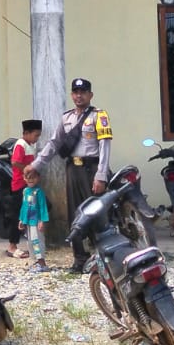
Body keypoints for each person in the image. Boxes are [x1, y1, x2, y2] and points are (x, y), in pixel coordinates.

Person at [56, 77, 113, 273]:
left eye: (83, 92)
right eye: (75, 92)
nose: (79, 96)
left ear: (90, 95)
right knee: (75, 214)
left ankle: (103, 258)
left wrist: (101, 175)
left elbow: (105, 147)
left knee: (97, 214)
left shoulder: (99, 116)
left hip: (92, 169)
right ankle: (80, 258)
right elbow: (55, 143)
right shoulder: (66, 118)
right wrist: (38, 163)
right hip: (73, 169)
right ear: (72, 95)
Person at [5, 118, 41, 258]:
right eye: (36, 135)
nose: (37, 138)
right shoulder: (21, 144)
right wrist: (27, 170)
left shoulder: (30, 145)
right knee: (17, 215)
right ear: (26, 133)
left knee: (31, 212)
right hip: (20, 185)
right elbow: (15, 162)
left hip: (29, 185)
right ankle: (12, 247)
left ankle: (31, 243)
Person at [20, 163, 50, 273]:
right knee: (30, 242)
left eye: (33, 177)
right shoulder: (25, 191)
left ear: (38, 178)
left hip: (36, 221)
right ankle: (36, 261)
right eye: (28, 178)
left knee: (37, 241)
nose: (30, 180)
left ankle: (42, 264)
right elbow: (24, 207)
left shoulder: (39, 192)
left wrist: (42, 220)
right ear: (24, 178)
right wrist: (21, 219)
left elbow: (43, 207)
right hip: (28, 222)